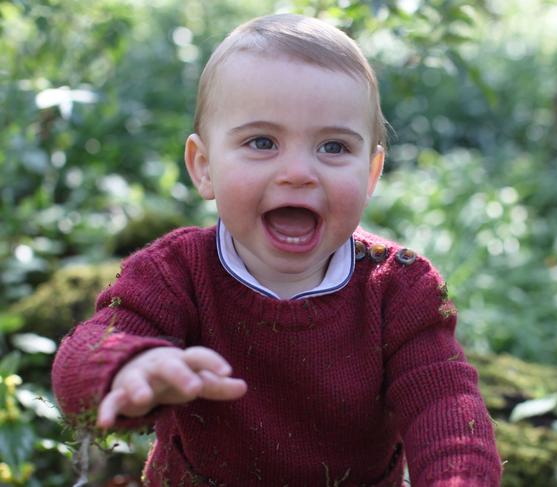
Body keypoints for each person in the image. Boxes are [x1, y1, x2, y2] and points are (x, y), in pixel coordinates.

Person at [52, 13, 501, 486]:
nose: (298, 172)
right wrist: (128, 363)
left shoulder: (399, 288)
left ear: (370, 176)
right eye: (262, 142)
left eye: (332, 147)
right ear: (204, 167)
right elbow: (82, 356)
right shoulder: (175, 273)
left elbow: (446, 406)